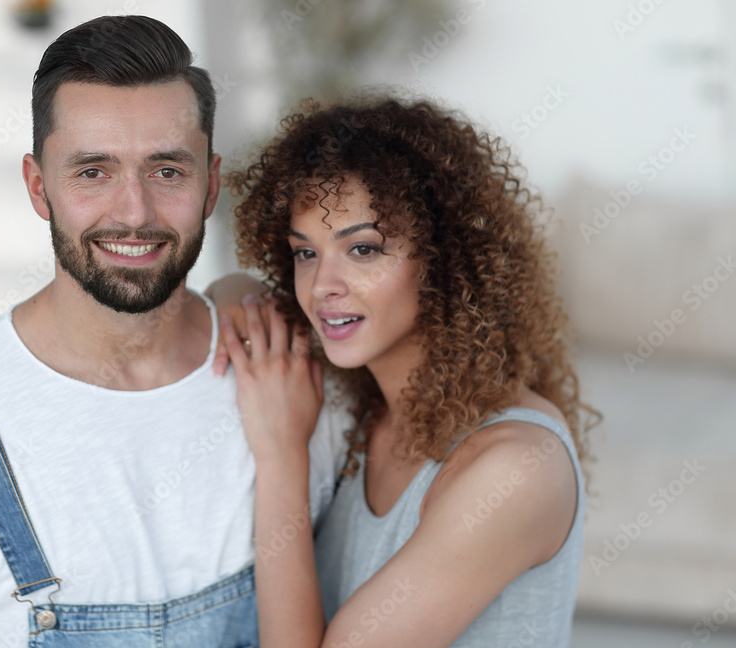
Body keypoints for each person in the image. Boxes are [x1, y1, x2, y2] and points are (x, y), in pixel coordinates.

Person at [0, 16, 351, 648]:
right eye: (92, 172)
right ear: (37, 186)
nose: (133, 214)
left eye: (167, 172)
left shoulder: (287, 375)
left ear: (210, 183)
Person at [215, 93, 599, 647]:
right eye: (305, 253)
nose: (323, 286)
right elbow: (237, 289)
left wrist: (280, 456)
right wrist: (234, 302)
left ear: (444, 257)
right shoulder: (368, 405)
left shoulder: (516, 468)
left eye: (364, 250)